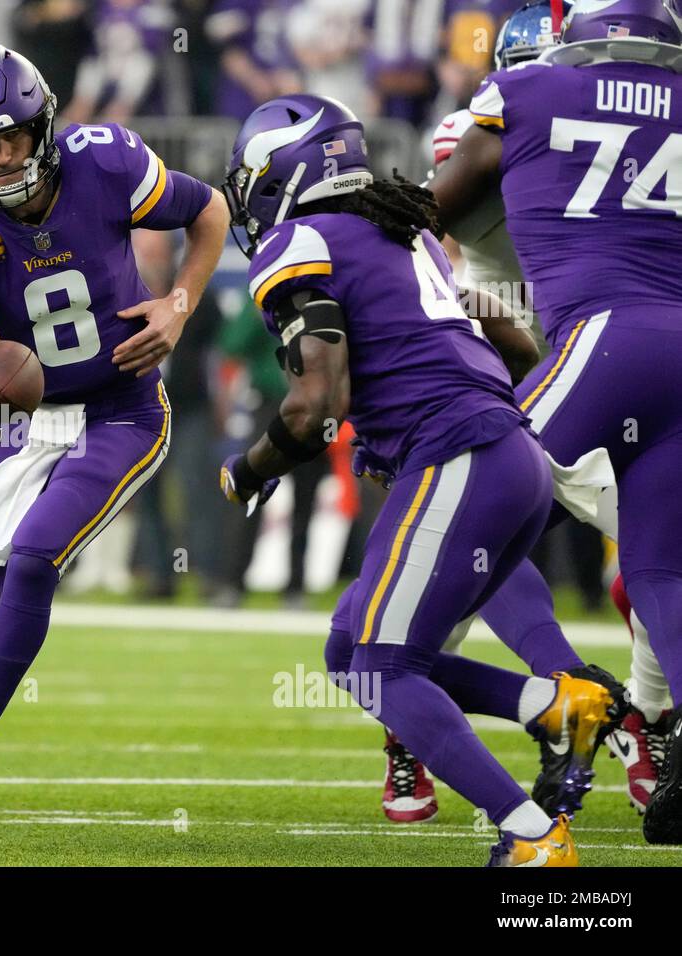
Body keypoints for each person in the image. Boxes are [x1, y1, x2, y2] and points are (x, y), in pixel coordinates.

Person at [219, 92, 612, 866]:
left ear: (277, 176)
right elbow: (508, 331)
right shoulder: (400, 232)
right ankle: (557, 704)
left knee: (380, 666)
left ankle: (532, 836)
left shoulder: (302, 240)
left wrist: (247, 469)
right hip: (509, 455)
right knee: (347, 653)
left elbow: (311, 408)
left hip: (458, 453)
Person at [0, 43, 229, 848]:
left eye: (12, 139)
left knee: (33, 557)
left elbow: (209, 209)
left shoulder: (106, 160)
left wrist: (179, 300)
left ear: (43, 125)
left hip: (119, 410)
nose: (1, 159)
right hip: (15, 416)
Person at [431, 0, 682, 845]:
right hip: (662, 348)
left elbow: (435, 209)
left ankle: (556, 695)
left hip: (601, 339)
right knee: (659, 573)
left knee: (472, 493)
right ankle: (653, 729)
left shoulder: (525, 94)